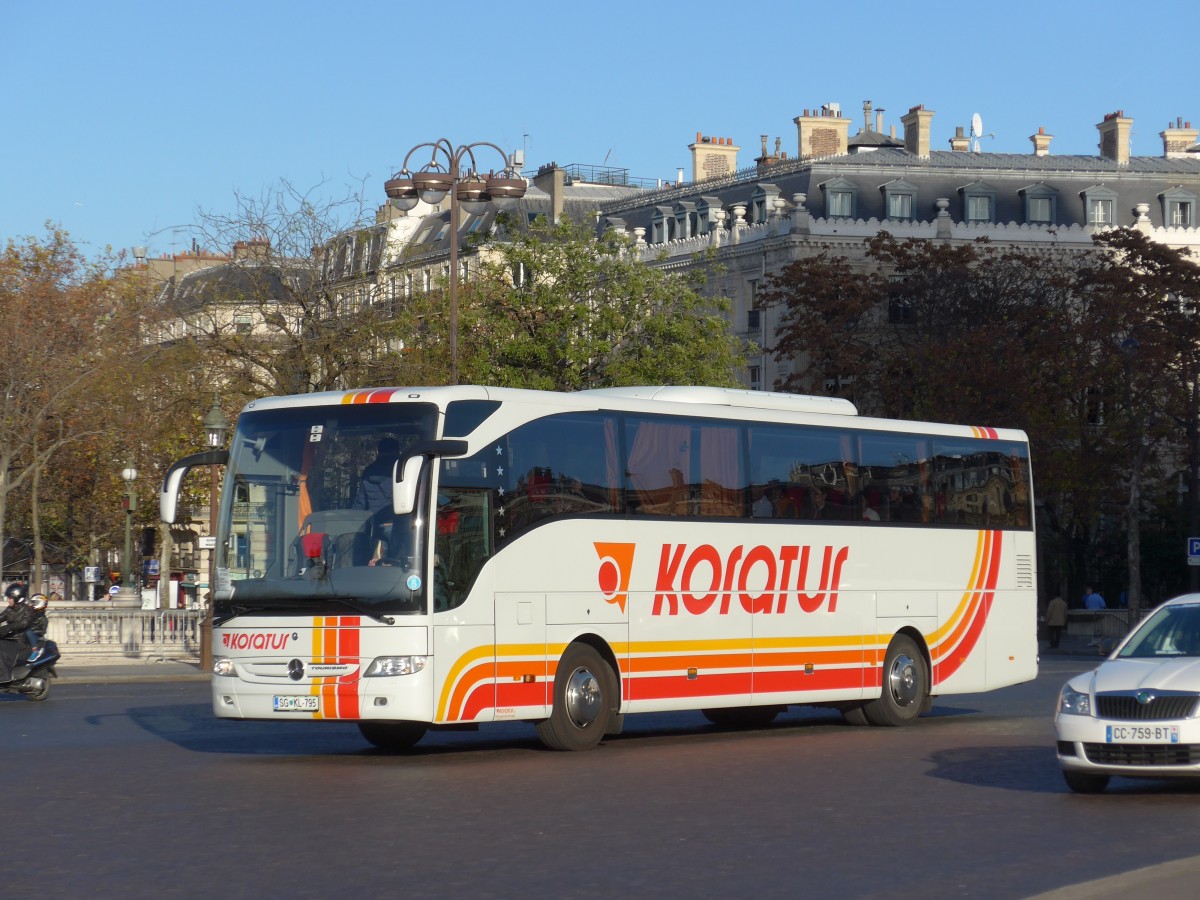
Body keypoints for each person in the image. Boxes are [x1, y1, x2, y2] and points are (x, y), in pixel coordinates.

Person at [351, 437, 401, 513]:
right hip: (397, 520)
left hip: (374, 520)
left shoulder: (369, 471)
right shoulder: (401, 470)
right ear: (396, 451)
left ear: (378, 451)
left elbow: (361, 503)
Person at [0, 583, 37, 682]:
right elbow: (1, 617)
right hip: (10, 638)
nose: (8, 600)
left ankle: (5, 675)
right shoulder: (9, 610)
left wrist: (10, 627)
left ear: (17, 598)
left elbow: (24, 623)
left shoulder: (27, 610)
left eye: (10, 598)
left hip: (21, 640)